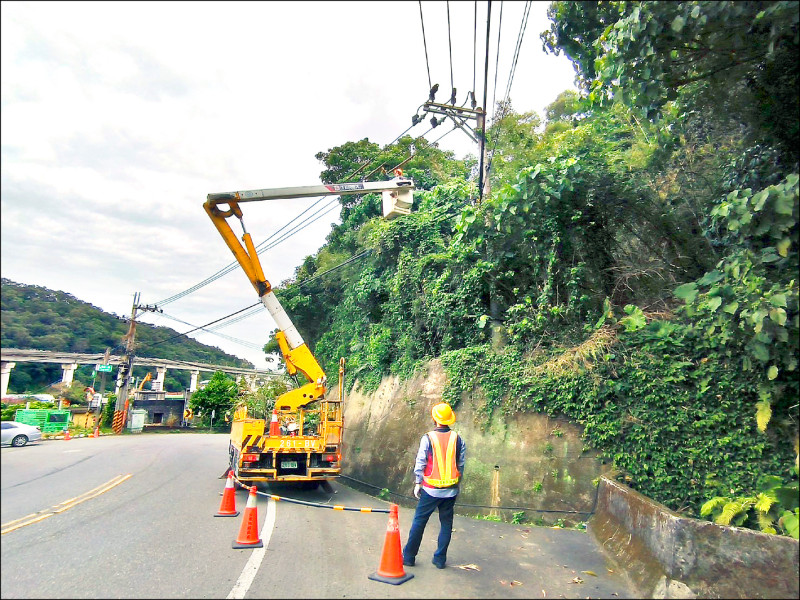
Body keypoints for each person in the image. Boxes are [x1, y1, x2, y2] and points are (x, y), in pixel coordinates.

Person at [402, 402, 466, 569]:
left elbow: (420, 462)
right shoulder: (458, 439)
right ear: (449, 419)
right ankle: (439, 559)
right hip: (451, 491)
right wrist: (456, 484)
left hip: (430, 489)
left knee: (419, 521)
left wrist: (418, 482)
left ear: (434, 418)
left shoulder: (428, 438)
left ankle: (409, 557)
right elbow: (461, 465)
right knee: (446, 524)